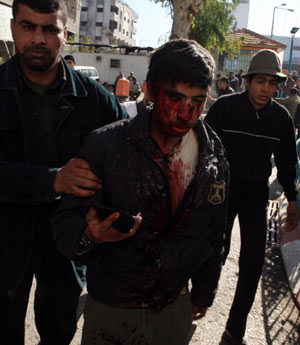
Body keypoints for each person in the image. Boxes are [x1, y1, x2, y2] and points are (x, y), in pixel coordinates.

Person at [52, 39, 229, 345]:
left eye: (198, 101)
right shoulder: (105, 147)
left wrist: (204, 291)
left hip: (174, 308)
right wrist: (90, 235)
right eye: (176, 98)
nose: (186, 112)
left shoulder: (213, 157)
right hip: (112, 309)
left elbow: (215, 232)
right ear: (149, 90)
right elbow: (65, 223)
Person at [0, 1, 126, 344]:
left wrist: (102, 223)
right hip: (7, 242)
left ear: (65, 34)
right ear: (13, 28)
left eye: (50, 29)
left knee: (59, 332)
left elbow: (125, 167)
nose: (39, 38)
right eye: (29, 27)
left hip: (67, 246)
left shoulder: (98, 101)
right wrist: (52, 179)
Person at [205, 49, 299, 345]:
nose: (267, 89)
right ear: (248, 80)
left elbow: (286, 162)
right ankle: (196, 303)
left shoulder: (281, 118)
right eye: (261, 81)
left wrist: (293, 199)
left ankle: (235, 330)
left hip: (256, 197)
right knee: (212, 254)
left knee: (253, 262)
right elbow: (204, 150)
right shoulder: (224, 108)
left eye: (273, 83)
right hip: (220, 195)